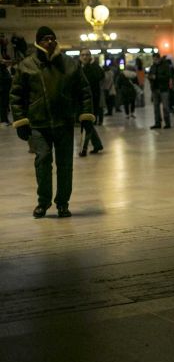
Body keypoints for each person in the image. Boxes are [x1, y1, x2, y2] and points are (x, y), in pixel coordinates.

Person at [10, 26, 95, 218]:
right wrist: (21, 121)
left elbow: (84, 91)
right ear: (38, 42)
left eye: (52, 38)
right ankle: (43, 202)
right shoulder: (26, 65)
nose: (50, 42)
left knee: (65, 165)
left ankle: (63, 203)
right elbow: (16, 95)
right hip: (38, 124)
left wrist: (86, 116)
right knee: (42, 161)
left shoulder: (69, 64)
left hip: (64, 122)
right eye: (46, 39)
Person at [77, 49, 105, 156]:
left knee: (86, 124)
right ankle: (97, 144)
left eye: (87, 55)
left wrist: (94, 64)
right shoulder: (78, 68)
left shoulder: (94, 68)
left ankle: (83, 149)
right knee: (87, 124)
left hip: (93, 101)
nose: (84, 57)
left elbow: (100, 76)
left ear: (90, 57)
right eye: (82, 55)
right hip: (81, 101)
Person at [148, 52, 172, 129]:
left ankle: (167, 123)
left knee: (165, 107)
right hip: (155, 89)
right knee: (156, 107)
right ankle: (157, 123)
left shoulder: (165, 66)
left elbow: (167, 76)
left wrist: (157, 77)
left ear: (159, 58)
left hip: (163, 89)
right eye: (153, 59)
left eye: (155, 59)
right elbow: (150, 75)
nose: (154, 60)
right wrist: (150, 77)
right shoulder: (153, 66)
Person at [0, 58, 11, 125]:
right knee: (3, 106)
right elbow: (3, 79)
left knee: (5, 106)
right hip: (3, 91)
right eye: (5, 62)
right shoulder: (2, 70)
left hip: (5, 90)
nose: (7, 64)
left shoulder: (4, 70)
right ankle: (4, 120)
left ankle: (5, 119)